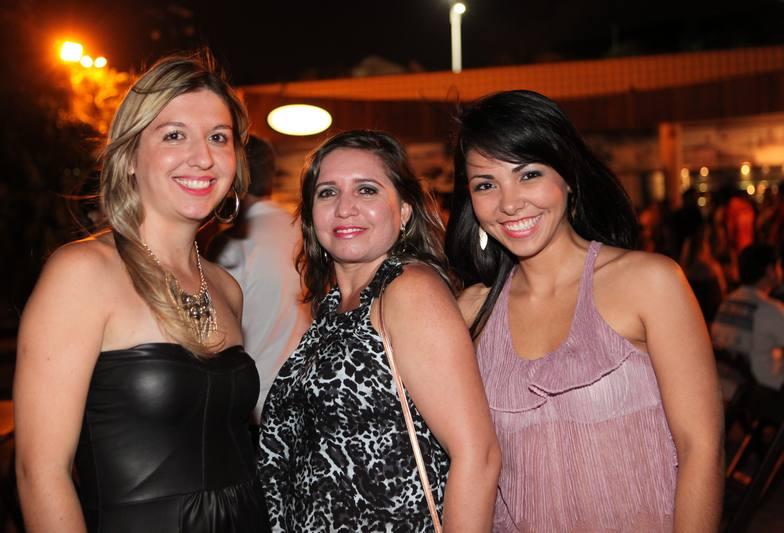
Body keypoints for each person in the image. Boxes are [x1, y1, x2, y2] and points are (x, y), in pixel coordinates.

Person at [445, 90, 724, 532]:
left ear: (569, 177)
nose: (509, 202)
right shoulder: (472, 313)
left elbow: (701, 448)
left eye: (529, 174)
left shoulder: (649, 283)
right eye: (485, 184)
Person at [14, 52, 269, 532]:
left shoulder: (225, 286)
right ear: (129, 157)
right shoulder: (82, 274)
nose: (203, 157)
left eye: (219, 137)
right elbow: (39, 473)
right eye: (174, 135)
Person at [259, 130, 500, 531]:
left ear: (403, 211)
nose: (345, 208)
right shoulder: (335, 305)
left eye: (367, 190)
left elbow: (478, 454)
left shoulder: (408, 290)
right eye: (327, 193)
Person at [208, 135, 310, 424]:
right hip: (305, 397)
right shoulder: (307, 232)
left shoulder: (228, 245)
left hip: (252, 404)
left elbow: (212, 336)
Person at [711, 244, 784, 390]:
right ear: (770, 270)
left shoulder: (727, 302)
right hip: (761, 393)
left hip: (726, 387)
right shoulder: (769, 309)